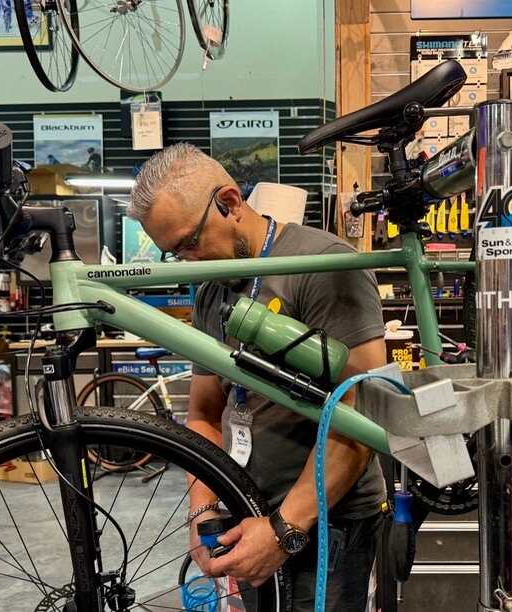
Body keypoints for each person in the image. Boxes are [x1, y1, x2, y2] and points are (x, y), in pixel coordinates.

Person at [129, 143, 387, 611]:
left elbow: (363, 407)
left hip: (330, 521)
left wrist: (286, 527)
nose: (188, 261)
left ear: (229, 203)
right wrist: (204, 510)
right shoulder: (212, 290)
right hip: (248, 517)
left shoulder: (322, 264)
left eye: (190, 242)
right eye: (174, 253)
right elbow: (205, 413)